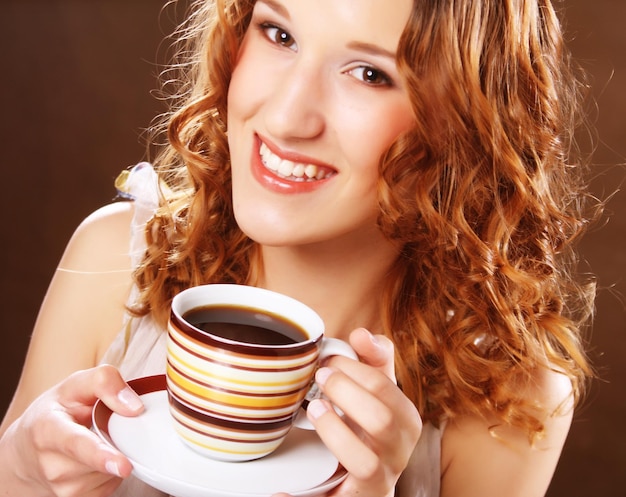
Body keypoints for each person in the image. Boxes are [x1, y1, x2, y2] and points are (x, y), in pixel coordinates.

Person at [0, 0, 599, 496]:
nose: (286, 118)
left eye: (369, 74)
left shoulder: (509, 401)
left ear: (462, 123)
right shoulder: (114, 257)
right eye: (278, 33)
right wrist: (23, 474)